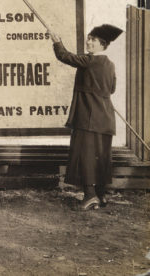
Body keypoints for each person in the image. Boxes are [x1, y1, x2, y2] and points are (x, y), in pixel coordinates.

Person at [50, 24, 123, 210]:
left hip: (88, 118)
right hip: (105, 118)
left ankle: (90, 196)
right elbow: (111, 89)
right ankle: (100, 195)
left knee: (86, 156)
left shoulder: (90, 60)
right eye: (88, 38)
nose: (88, 42)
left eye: (93, 40)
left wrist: (56, 40)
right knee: (101, 156)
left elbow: (64, 56)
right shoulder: (110, 64)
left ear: (102, 44)